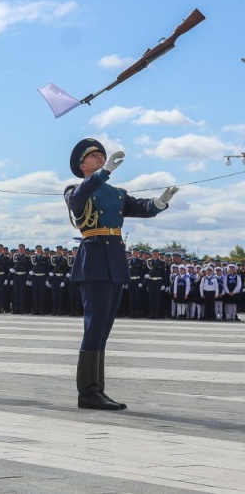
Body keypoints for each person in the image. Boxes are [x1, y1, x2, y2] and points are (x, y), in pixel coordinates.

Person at [65, 138, 176, 410]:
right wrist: (103, 174)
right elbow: (77, 199)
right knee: (94, 327)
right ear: (82, 166)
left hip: (114, 260)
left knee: (103, 329)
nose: (101, 157)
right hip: (93, 261)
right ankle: (88, 393)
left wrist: (160, 203)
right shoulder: (75, 189)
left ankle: (97, 391)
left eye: (102, 155)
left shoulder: (116, 193)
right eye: (94, 156)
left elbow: (141, 208)